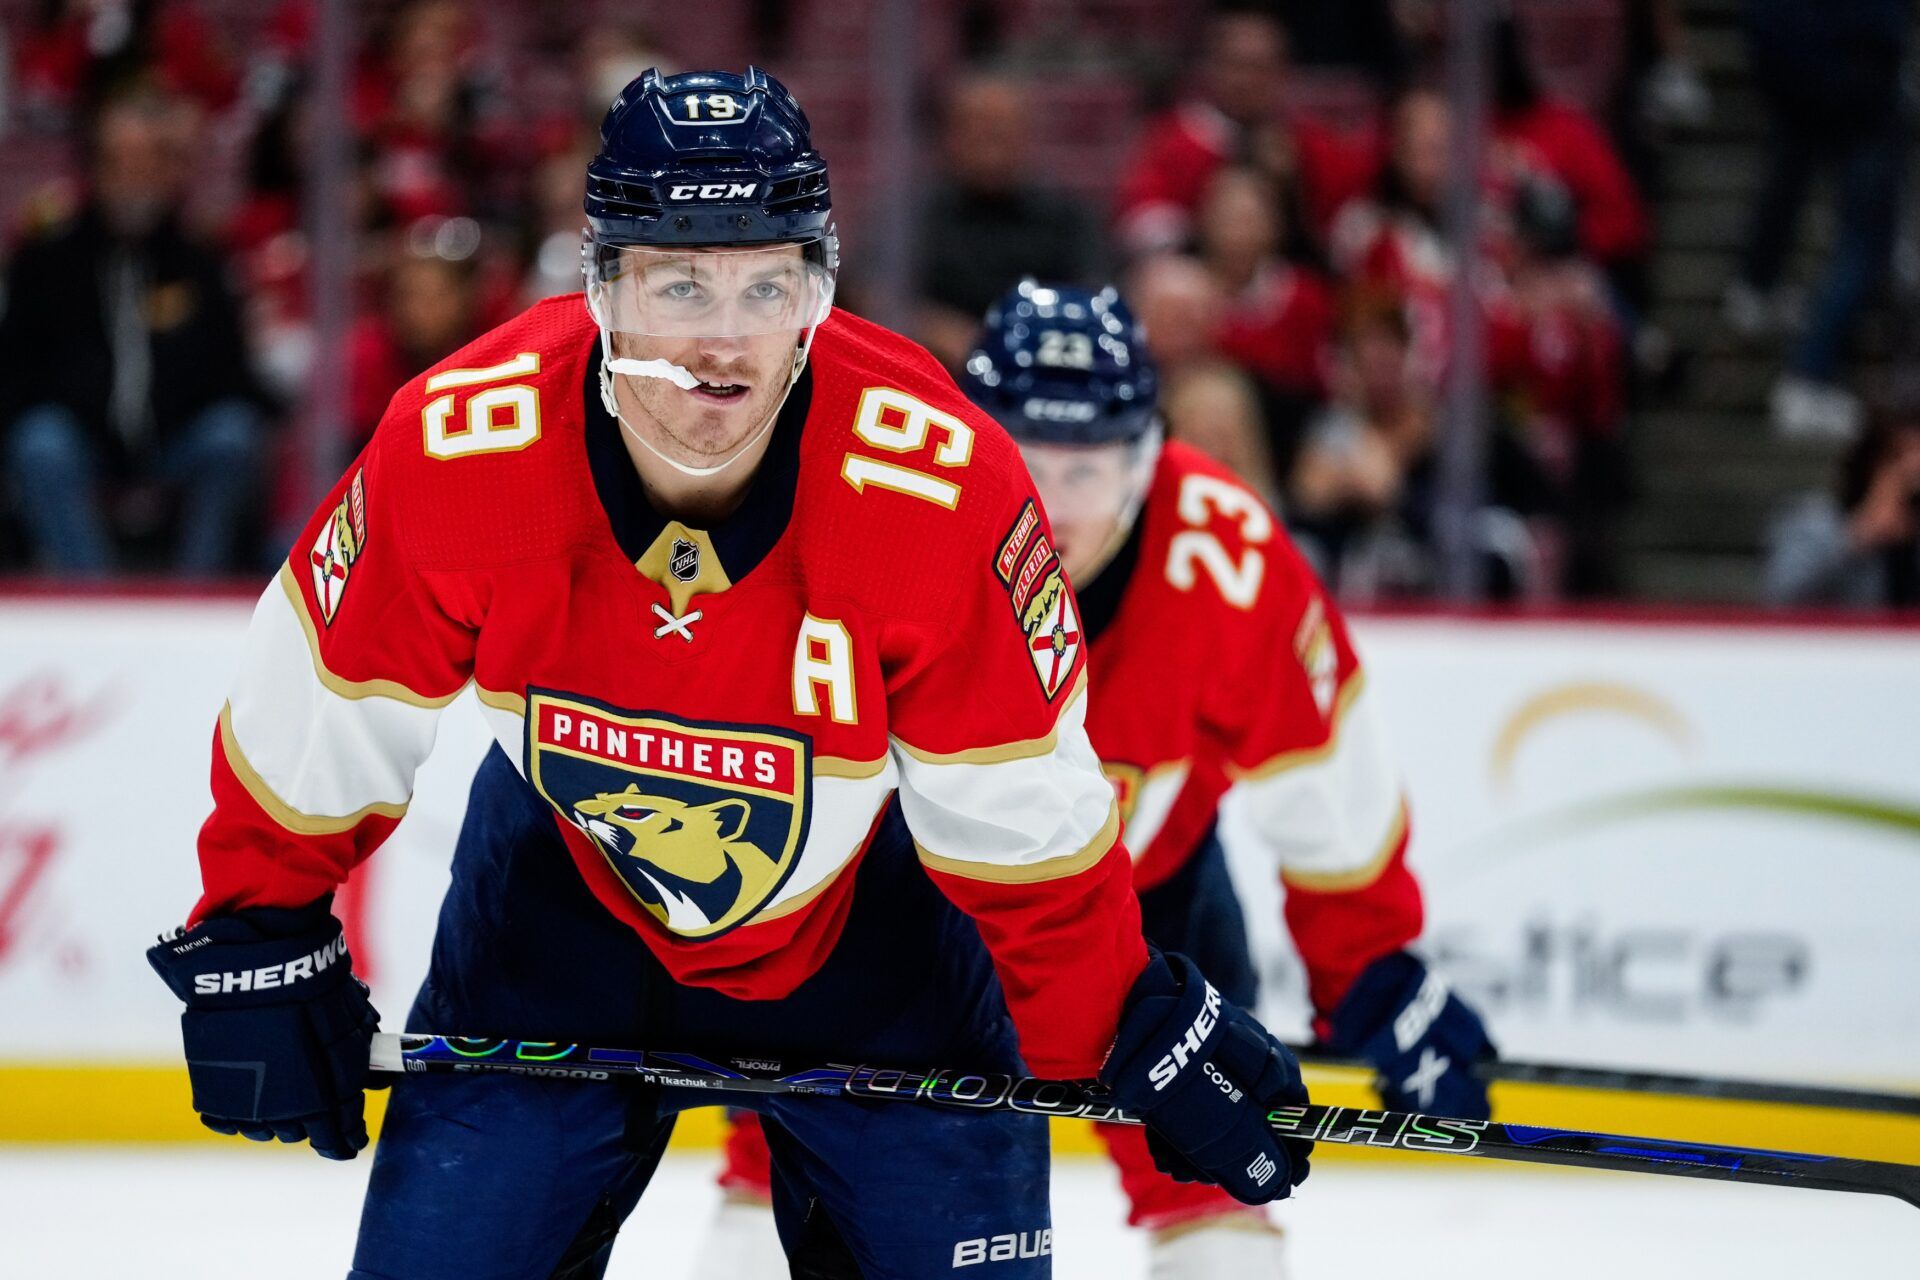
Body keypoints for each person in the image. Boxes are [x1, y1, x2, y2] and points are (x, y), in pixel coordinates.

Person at [143, 69, 1314, 1279]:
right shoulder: (460, 445)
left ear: (819, 286)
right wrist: (261, 923)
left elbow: (1020, 814)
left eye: (768, 283)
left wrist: (1118, 1021)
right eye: (679, 281)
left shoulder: (940, 486)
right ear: (601, 286)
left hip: (880, 945)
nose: (724, 340)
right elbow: (324, 700)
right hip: (558, 923)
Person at [696, 281, 1496, 1278]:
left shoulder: (1225, 564)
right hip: (905, 916)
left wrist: (1374, 971)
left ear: (1150, 457)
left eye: (1092, 466)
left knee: (1212, 1188)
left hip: (1147, 922)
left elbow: (1326, 787)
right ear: (968, 439)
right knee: (781, 1165)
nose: (1056, 503)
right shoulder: (873, 516)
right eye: (1027, 458)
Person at [0, 78, 267, 576]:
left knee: (232, 435)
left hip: (175, 441)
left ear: (170, 170)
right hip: (83, 442)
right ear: (94, 166)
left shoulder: (200, 262)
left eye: (149, 159)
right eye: (121, 158)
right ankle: (91, 597)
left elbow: (234, 373)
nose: (135, 174)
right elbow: (17, 374)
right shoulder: (46, 262)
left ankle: (195, 596)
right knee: (40, 441)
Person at [911, 71, 1104, 371]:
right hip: (937, 372)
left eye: (1000, 127)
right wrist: (927, 322)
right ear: (950, 136)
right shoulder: (913, 213)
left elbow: (1092, 296)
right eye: (975, 125)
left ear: (1025, 134)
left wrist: (1002, 339)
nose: (988, 138)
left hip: (1040, 367)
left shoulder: (1066, 217)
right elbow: (871, 291)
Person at [1764, 393, 1920, 607]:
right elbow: (1781, 594)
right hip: (1837, 638)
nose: (1913, 472)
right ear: (1871, 464)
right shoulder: (1813, 521)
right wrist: (1861, 535)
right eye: (1899, 459)